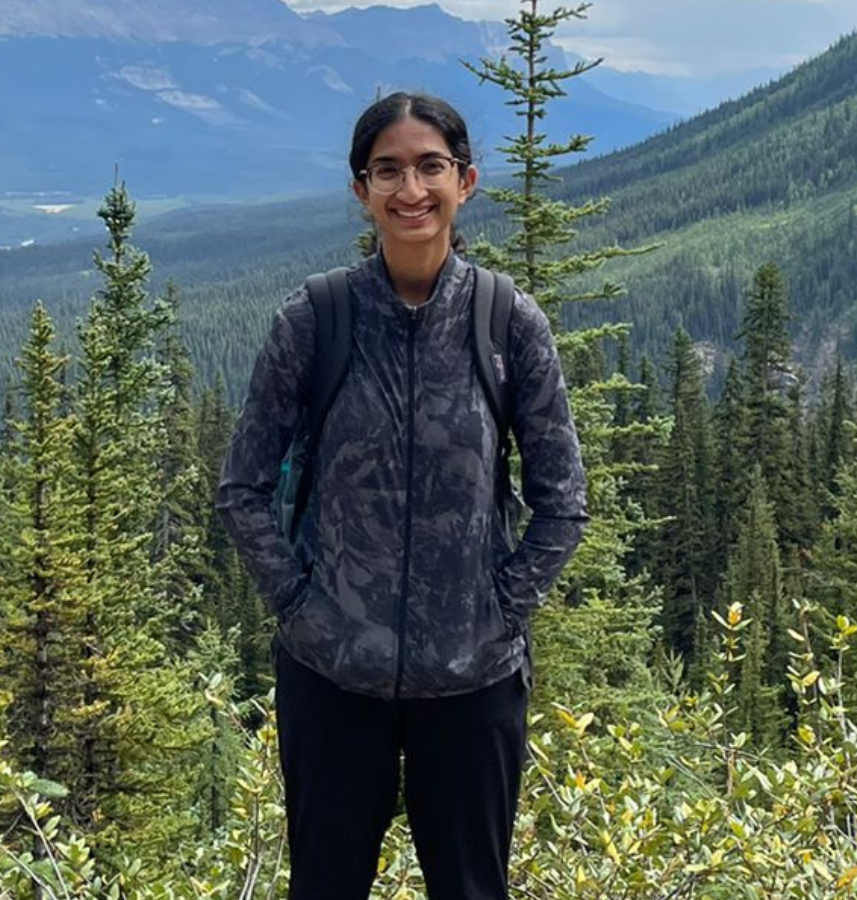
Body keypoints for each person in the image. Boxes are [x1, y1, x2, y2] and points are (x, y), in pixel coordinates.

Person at [216, 91, 588, 900]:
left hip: (472, 685)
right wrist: (301, 608)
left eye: (430, 167)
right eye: (387, 170)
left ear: (466, 181)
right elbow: (241, 487)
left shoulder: (507, 323)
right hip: (332, 679)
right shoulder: (316, 320)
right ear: (361, 190)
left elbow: (563, 502)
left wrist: (498, 612)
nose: (410, 189)